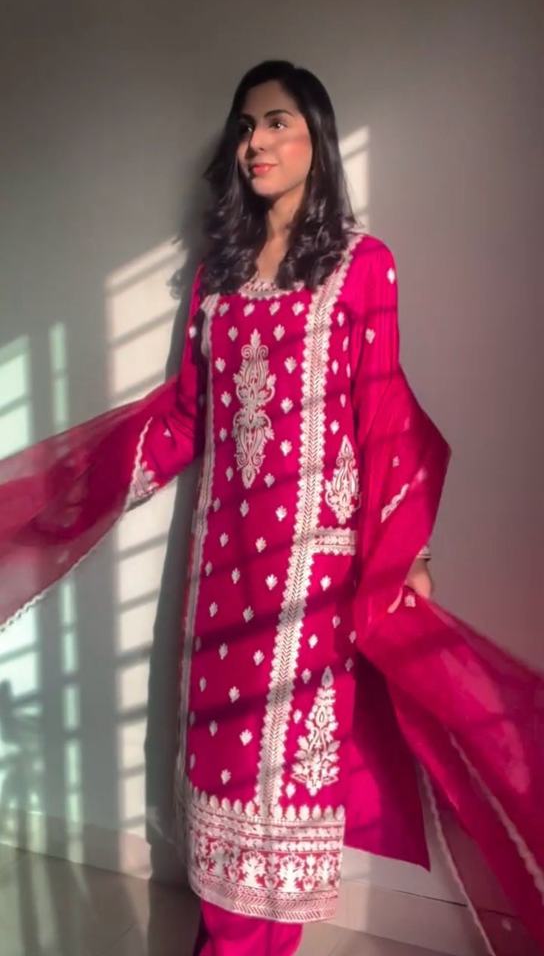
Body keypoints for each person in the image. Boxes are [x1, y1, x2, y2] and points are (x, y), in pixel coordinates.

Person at [0, 61, 543, 956]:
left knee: (282, 787)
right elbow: (188, 418)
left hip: (312, 577)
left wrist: (409, 554)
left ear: (316, 138)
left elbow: (381, 412)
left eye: (277, 122)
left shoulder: (363, 266)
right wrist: (73, 498)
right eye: (246, 126)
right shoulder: (216, 278)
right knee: (220, 779)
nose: (255, 142)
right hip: (221, 572)